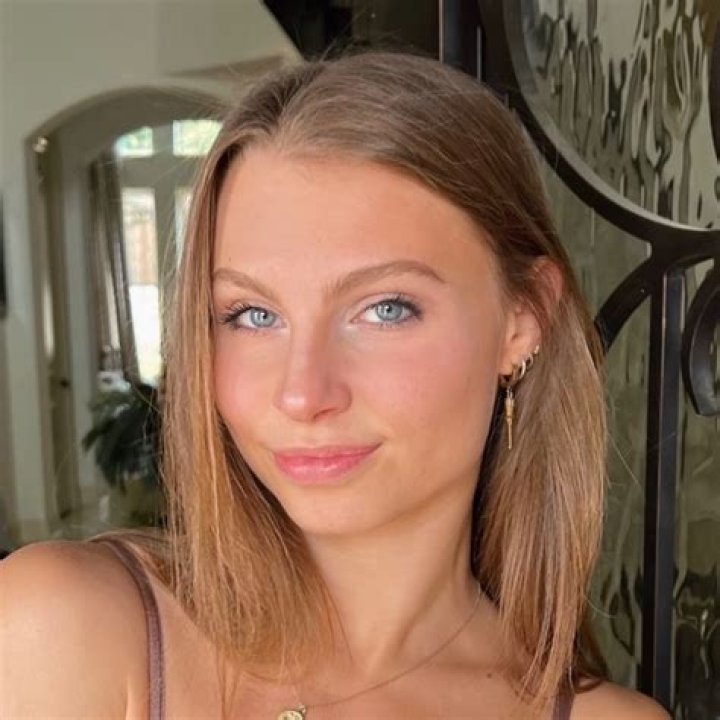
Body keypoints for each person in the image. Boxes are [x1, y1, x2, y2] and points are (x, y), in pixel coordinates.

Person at [1, 52, 669, 720]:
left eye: (386, 309)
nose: (302, 394)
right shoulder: (65, 630)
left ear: (522, 320)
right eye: (252, 315)